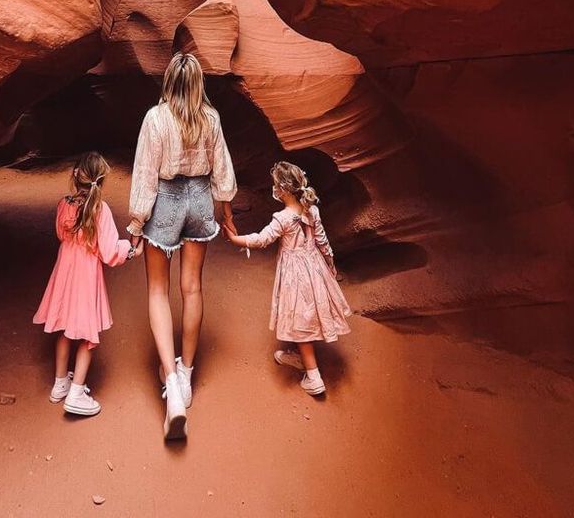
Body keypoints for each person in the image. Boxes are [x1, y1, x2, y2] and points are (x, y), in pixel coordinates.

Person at [128, 51, 237, 439]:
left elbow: (144, 175)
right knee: (191, 288)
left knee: (158, 291)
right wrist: (225, 211)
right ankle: (187, 373)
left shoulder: (155, 119)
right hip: (201, 199)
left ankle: (171, 384)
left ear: (169, 82)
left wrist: (137, 224)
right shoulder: (211, 118)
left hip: (167, 201)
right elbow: (222, 168)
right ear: (197, 85)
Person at [223, 160, 350, 396]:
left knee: (299, 316)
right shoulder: (312, 209)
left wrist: (235, 239)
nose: (274, 189)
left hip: (295, 274)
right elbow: (322, 241)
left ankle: (313, 376)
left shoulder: (283, 218)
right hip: (315, 267)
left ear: (282, 189)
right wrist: (330, 266)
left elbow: (262, 239)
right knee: (305, 313)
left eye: (275, 185)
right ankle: (299, 356)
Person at [33, 152, 139, 417]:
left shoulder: (64, 204)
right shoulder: (99, 211)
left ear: (75, 176)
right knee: (88, 337)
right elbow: (109, 251)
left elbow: (61, 234)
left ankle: (60, 384)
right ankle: (76, 392)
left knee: (65, 329)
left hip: (64, 273)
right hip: (86, 277)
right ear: (100, 182)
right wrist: (131, 250)